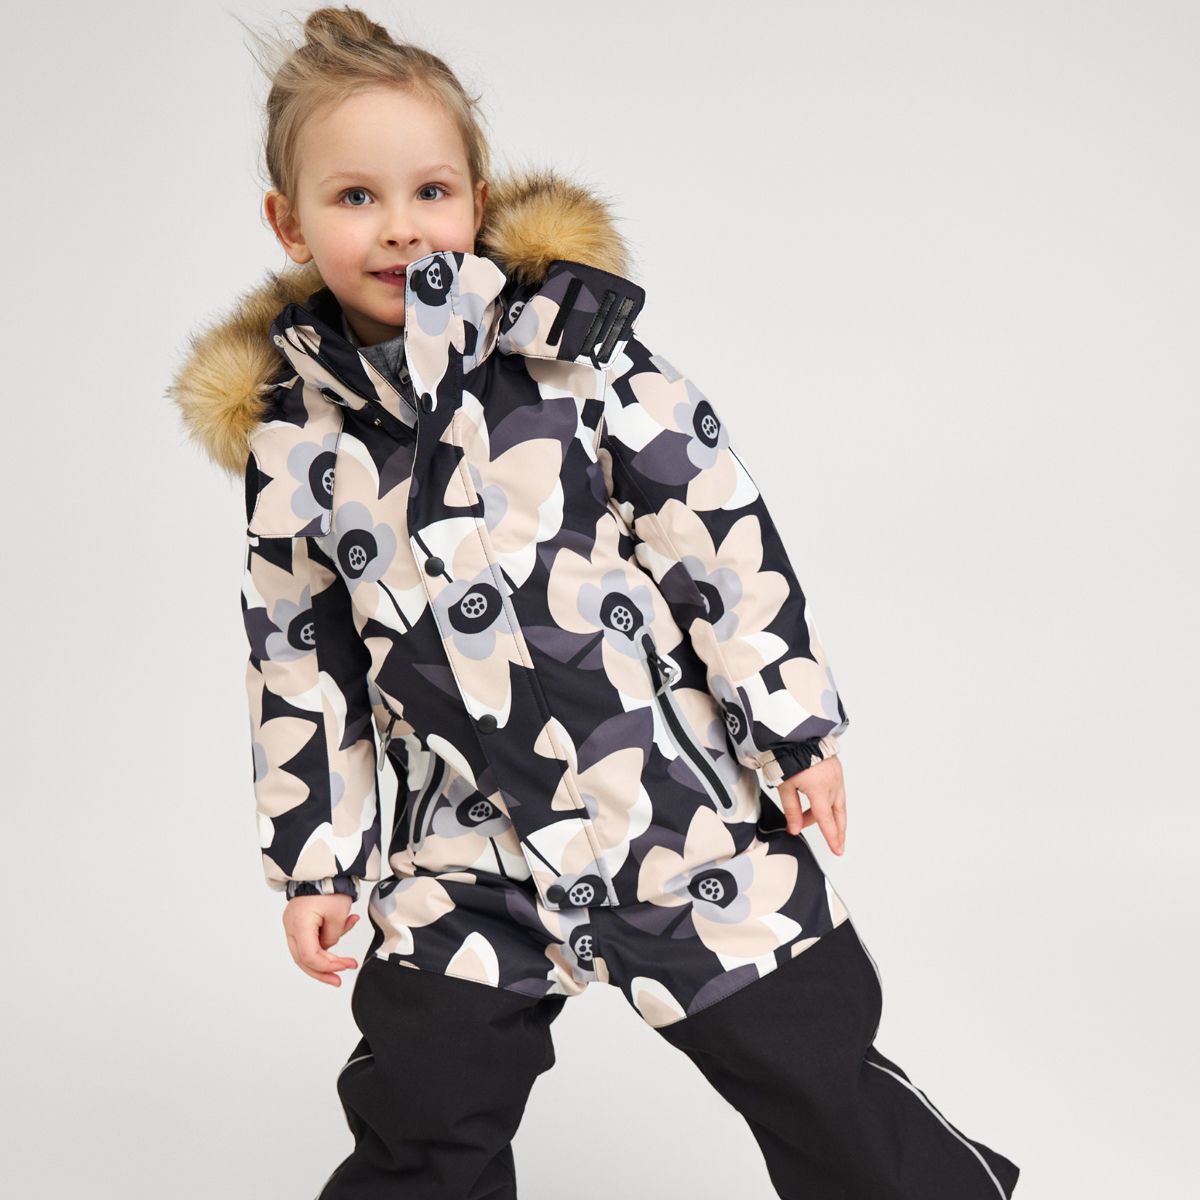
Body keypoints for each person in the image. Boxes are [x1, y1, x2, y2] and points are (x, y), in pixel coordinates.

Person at [167, 7, 1021, 1198]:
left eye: (430, 191)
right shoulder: (293, 446)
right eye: (356, 197)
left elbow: (713, 530)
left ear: (476, 201)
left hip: (673, 810)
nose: (400, 225)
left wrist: (793, 728)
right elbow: (299, 661)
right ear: (289, 223)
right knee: (423, 1101)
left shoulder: (572, 356)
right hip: (463, 847)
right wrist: (317, 859)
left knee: (816, 1071)